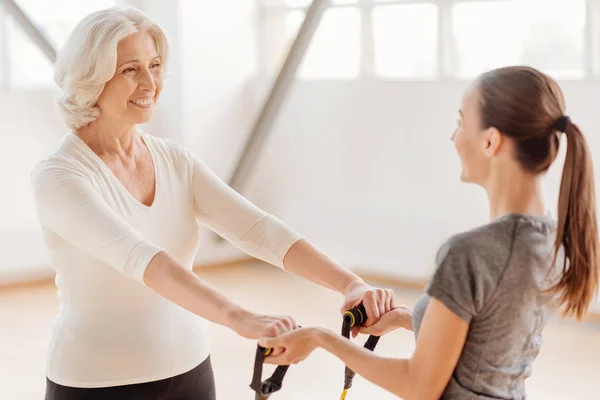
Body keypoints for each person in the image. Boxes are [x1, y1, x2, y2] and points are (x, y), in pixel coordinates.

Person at [31, 6, 396, 400]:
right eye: (129, 70)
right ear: (91, 78)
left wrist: (349, 284)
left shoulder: (174, 160)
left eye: (154, 65)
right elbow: (143, 260)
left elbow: (257, 228)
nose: (150, 82)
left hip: (189, 370)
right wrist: (241, 318)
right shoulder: (59, 176)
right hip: (96, 382)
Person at [259, 66, 600, 399]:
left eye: (461, 122)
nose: (453, 138)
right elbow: (486, 340)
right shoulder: (555, 241)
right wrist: (406, 319)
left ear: (490, 141)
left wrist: (321, 338)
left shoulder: (470, 252)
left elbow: (419, 386)